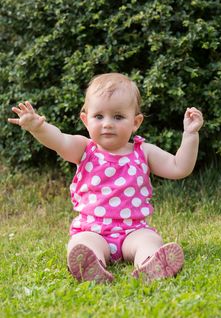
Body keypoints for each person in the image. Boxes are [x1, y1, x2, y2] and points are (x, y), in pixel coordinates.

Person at [8, 72, 203, 283]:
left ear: (135, 122)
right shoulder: (84, 149)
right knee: (82, 243)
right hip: (93, 229)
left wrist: (190, 135)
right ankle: (92, 266)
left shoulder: (144, 152)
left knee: (149, 240)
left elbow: (178, 167)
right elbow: (59, 140)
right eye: (99, 116)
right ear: (85, 119)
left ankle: (149, 263)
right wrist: (38, 127)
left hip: (133, 230)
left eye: (118, 117)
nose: (107, 123)